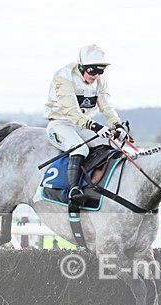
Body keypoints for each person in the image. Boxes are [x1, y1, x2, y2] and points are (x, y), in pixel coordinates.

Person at [43, 44, 130, 206]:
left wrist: (116, 125)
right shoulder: (64, 77)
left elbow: (106, 107)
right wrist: (96, 127)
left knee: (109, 144)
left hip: (83, 126)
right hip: (60, 123)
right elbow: (71, 112)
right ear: (81, 66)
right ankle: (73, 191)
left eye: (100, 71)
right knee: (80, 148)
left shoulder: (100, 82)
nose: (96, 75)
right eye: (92, 71)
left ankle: (94, 186)